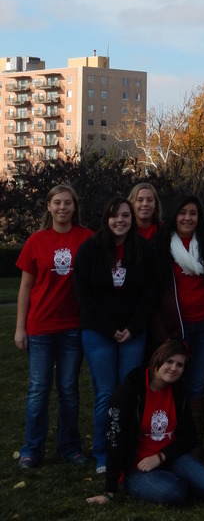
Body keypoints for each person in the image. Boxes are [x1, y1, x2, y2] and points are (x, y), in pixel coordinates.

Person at [86, 340, 204, 506]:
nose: (174, 368)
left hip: (169, 456)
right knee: (175, 493)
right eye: (169, 361)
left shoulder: (178, 389)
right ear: (157, 359)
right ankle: (181, 482)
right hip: (137, 466)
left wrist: (161, 457)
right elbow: (114, 440)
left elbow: (190, 435)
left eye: (180, 365)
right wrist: (109, 491)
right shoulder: (129, 390)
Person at [74, 196, 155, 474]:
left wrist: (133, 327)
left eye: (125, 216)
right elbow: (84, 295)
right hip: (98, 333)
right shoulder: (90, 250)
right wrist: (110, 329)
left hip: (134, 332)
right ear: (106, 219)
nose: (119, 221)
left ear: (132, 220)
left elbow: (149, 293)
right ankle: (104, 454)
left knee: (129, 393)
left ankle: (129, 450)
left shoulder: (142, 249)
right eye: (114, 216)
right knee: (106, 394)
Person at [14, 184, 93, 469]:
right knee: (38, 390)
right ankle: (32, 449)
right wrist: (20, 328)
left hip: (74, 327)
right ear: (49, 206)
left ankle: (69, 447)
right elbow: (25, 288)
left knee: (69, 390)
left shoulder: (87, 238)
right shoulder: (36, 241)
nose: (62, 208)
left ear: (75, 207)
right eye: (57, 203)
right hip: (40, 328)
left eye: (67, 203)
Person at [154, 195, 204, 449]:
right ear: (174, 216)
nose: (187, 218)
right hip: (176, 329)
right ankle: (167, 438)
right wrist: (164, 332)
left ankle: (194, 444)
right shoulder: (162, 248)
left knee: (197, 383)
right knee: (174, 381)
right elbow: (154, 294)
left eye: (193, 213)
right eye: (182, 212)